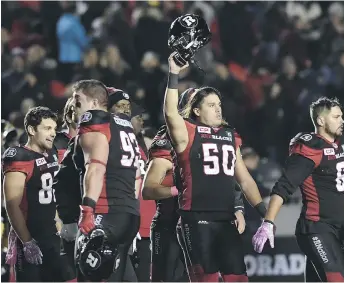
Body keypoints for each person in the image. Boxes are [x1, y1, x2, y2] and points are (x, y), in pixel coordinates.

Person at [163, 53, 266, 282]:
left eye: (219, 104)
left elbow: (245, 179)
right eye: (211, 105)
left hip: (226, 218)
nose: (218, 109)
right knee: (205, 279)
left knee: (238, 278)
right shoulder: (188, 133)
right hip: (196, 217)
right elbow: (170, 113)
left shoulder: (230, 135)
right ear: (197, 111)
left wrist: (264, 213)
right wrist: (173, 74)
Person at [143, 88, 246, 282]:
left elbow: (225, 176)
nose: (215, 110)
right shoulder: (170, 138)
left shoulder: (221, 136)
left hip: (205, 220)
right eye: (209, 105)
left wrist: (238, 207)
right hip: (170, 220)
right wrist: (177, 189)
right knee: (164, 278)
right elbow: (148, 189)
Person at [252, 97, 344, 282]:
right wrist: (268, 221)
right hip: (316, 227)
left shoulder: (340, 144)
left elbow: (340, 184)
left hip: (339, 227)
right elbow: (283, 186)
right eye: (336, 117)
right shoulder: (310, 148)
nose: (342, 120)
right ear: (321, 121)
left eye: (342, 116)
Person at [71, 79, 141, 281]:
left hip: (105, 212)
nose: (75, 107)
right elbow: (137, 175)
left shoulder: (94, 120)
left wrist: (88, 210)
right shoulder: (124, 125)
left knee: (88, 272)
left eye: (78, 101)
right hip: (128, 214)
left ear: (93, 103)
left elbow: (96, 167)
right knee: (121, 276)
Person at [2, 106, 75, 282]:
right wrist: (27, 242)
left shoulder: (53, 154)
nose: (52, 134)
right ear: (32, 130)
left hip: (53, 236)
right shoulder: (19, 156)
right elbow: (12, 204)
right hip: (29, 236)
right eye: (47, 128)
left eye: (54, 129)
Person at [107, 86, 154, 282]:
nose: (139, 119)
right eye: (136, 116)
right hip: (124, 222)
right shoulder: (110, 141)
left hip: (144, 227)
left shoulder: (142, 145)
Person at [53, 97, 80, 276]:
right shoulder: (55, 141)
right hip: (64, 217)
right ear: (68, 115)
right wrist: (59, 220)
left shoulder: (98, 140)